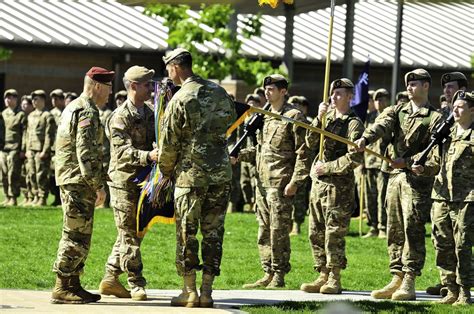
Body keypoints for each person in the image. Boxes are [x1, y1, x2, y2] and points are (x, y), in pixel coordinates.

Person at [354, 69, 442, 301]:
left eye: (415, 84)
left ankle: (410, 278)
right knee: (394, 227)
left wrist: (411, 162)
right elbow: (381, 125)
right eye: (408, 84)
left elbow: (435, 155)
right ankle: (396, 276)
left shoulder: (434, 117)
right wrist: (365, 138)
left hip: (416, 181)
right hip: (394, 178)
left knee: (412, 229)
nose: (410, 88)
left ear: (426, 87)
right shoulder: (397, 111)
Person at [158, 48, 236, 308]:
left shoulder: (180, 98)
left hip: (190, 177)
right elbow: (230, 122)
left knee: (186, 234)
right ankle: (207, 292)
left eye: (168, 67)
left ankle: (189, 291)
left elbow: (168, 142)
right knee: (214, 234)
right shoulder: (219, 92)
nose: (167, 71)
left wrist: (165, 173)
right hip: (220, 175)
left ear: (176, 67)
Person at [239, 74, 310, 289]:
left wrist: (295, 181)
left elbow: (304, 152)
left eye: (272, 89)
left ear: (283, 91)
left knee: (279, 231)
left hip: (281, 183)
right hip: (262, 182)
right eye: (266, 89)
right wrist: (238, 155)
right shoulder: (264, 116)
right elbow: (261, 150)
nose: (267, 93)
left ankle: (279, 274)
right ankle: (267, 271)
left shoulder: (294, 116)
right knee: (263, 229)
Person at [51, 66, 113, 304]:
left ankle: (73, 283)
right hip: (78, 181)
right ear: (97, 86)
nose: (110, 92)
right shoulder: (86, 110)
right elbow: (85, 152)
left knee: (80, 235)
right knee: (75, 236)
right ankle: (62, 285)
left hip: (74, 179)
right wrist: (97, 185)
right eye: (108, 87)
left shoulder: (73, 106)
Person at [300, 78, 364, 294]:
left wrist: (327, 167)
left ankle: (334, 276)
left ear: (349, 96)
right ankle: (322, 273)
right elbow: (310, 143)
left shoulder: (353, 123)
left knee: (333, 233)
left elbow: (355, 158)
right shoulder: (326, 119)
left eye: (339, 93)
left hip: (339, 186)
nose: (334, 97)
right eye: (333, 93)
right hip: (319, 185)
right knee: (315, 231)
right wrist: (318, 118)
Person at [99, 66, 157, 301]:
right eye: (146, 85)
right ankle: (136, 283)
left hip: (144, 180)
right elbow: (122, 151)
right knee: (128, 233)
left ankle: (111, 276)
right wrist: (148, 156)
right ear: (133, 86)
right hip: (123, 181)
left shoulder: (151, 112)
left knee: (134, 232)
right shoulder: (120, 116)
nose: (151, 89)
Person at [413, 90, 473, 306]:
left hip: (467, 198)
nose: (454, 110)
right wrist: (423, 169)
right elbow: (436, 164)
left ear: (472, 110)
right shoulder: (445, 135)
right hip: (441, 196)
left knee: (463, 244)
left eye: (460, 107)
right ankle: (450, 288)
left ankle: (465, 290)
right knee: (442, 243)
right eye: (454, 106)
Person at [362, 88, 391, 239]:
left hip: (383, 163)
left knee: (382, 197)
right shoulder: (370, 117)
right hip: (369, 162)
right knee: (369, 196)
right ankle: (372, 225)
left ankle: (383, 227)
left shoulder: (390, 117)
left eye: (382, 99)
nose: (379, 102)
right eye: (377, 100)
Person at [25, 90, 55, 206]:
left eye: (36, 99)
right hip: (31, 149)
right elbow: (28, 134)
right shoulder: (31, 115)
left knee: (41, 175)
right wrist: (27, 149)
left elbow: (49, 135)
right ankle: (35, 195)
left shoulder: (47, 115)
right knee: (31, 173)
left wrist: (45, 151)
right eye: (33, 99)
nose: (33, 101)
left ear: (42, 100)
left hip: (41, 150)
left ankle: (42, 197)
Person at [1, 89, 26, 206]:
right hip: (3, 148)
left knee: (13, 173)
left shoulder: (20, 114)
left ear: (15, 99)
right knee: (3, 173)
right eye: (6, 98)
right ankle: (7, 196)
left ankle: (13, 197)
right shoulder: (3, 114)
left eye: (10, 97)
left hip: (15, 148)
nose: (7, 100)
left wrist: (23, 149)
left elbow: (25, 133)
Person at [49, 89, 66, 206]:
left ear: (62, 100)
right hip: (53, 148)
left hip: (64, 148)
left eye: (57, 98)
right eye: (53, 98)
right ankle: (56, 197)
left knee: (63, 174)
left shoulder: (67, 112)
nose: (54, 101)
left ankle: (62, 198)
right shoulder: (50, 113)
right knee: (52, 175)